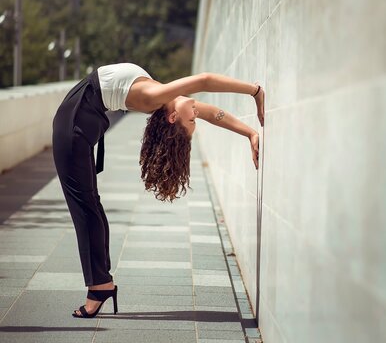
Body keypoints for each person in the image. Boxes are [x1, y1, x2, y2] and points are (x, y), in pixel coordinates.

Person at [51, 63, 265, 318]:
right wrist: (252, 115)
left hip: (75, 125)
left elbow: (206, 84)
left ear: (173, 117)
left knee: (89, 208)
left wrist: (254, 104)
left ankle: (100, 285)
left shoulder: (157, 97)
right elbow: (210, 104)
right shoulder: (165, 98)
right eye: (194, 118)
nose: (196, 112)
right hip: (75, 123)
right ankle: (100, 285)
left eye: (192, 119)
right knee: (89, 208)